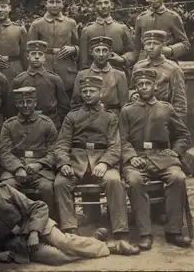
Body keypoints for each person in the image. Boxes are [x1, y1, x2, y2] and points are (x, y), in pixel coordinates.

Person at [54, 76, 140, 255]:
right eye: (84, 91)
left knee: (114, 181)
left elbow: (116, 146)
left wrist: (104, 162)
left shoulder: (110, 117)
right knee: (60, 183)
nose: (87, 94)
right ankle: (70, 232)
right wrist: (64, 162)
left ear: (100, 93)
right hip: (76, 163)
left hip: (102, 161)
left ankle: (121, 233)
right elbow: (62, 144)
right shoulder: (72, 116)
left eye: (91, 91)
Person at [0, 160, 111, 265]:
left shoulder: (5, 190)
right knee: (57, 257)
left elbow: (38, 207)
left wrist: (34, 232)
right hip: (17, 244)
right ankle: (93, 242)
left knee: (63, 242)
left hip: (36, 224)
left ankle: (107, 247)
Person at [120, 68, 192, 250]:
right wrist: (131, 157)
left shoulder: (166, 109)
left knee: (178, 177)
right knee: (134, 180)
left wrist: (175, 152)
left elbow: (183, 135)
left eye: (147, 84)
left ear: (154, 86)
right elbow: (121, 140)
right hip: (137, 158)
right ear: (136, 87)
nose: (144, 87)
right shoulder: (127, 111)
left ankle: (173, 231)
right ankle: (145, 233)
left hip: (163, 157)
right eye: (140, 84)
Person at [0, 87, 58, 219]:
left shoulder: (47, 123)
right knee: (8, 186)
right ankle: (14, 223)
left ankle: (49, 222)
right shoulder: (9, 125)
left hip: (41, 170)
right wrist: (18, 168)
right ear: (16, 104)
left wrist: (40, 164)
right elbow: (4, 152)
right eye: (21, 102)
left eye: (29, 101)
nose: (25, 105)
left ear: (35, 102)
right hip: (15, 168)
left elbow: (54, 151)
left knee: (46, 187)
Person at [28, 0, 79, 98]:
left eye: (58, 2)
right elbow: (29, 49)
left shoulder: (71, 23)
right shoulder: (37, 24)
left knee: (67, 100)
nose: (55, 5)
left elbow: (79, 45)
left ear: (63, 3)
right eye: (51, 2)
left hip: (66, 69)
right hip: (45, 67)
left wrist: (74, 49)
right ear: (45, 4)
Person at [130, 30, 187, 122]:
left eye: (155, 44)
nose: (151, 47)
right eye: (148, 44)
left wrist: (176, 125)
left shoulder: (173, 69)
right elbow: (131, 88)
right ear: (144, 46)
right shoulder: (138, 66)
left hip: (163, 117)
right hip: (140, 117)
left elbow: (180, 103)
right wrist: (132, 94)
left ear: (163, 45)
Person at [11, 40, 69, 130]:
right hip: (25, 124)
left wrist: (57, 122)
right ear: (27, 56)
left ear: (45, 57)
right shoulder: (19, 80)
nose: (37, 57)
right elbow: (12, 107)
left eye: (40, 54)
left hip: (51, 123)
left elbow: (64, 105)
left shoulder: (54, 79)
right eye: (33, 54)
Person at [132, 0, 190, 66]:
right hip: (145, 64)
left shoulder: (173, 17)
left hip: (167, 62)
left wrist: (171, 50)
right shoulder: (141, 18)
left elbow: (185, 44)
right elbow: (136, 48)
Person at [79, 0, 134, 74]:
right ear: (94, 7)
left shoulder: (121, 28)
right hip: (94, 75)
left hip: (118, 72)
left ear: (111, 5)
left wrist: (123, 59)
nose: (103, 6)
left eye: (106, 2)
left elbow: (132, 52)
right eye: (99, 3)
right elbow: (84, 61)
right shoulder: (87, 30)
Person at [71, 36, 129, 117]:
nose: (101, 54)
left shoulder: (119, 75)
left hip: (114, 117)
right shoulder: (82, 74)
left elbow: (124, 106)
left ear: (110, 52)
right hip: (88, 117)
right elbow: (75, 104)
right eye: (97, 50)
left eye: (104, 50)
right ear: (91, 52)